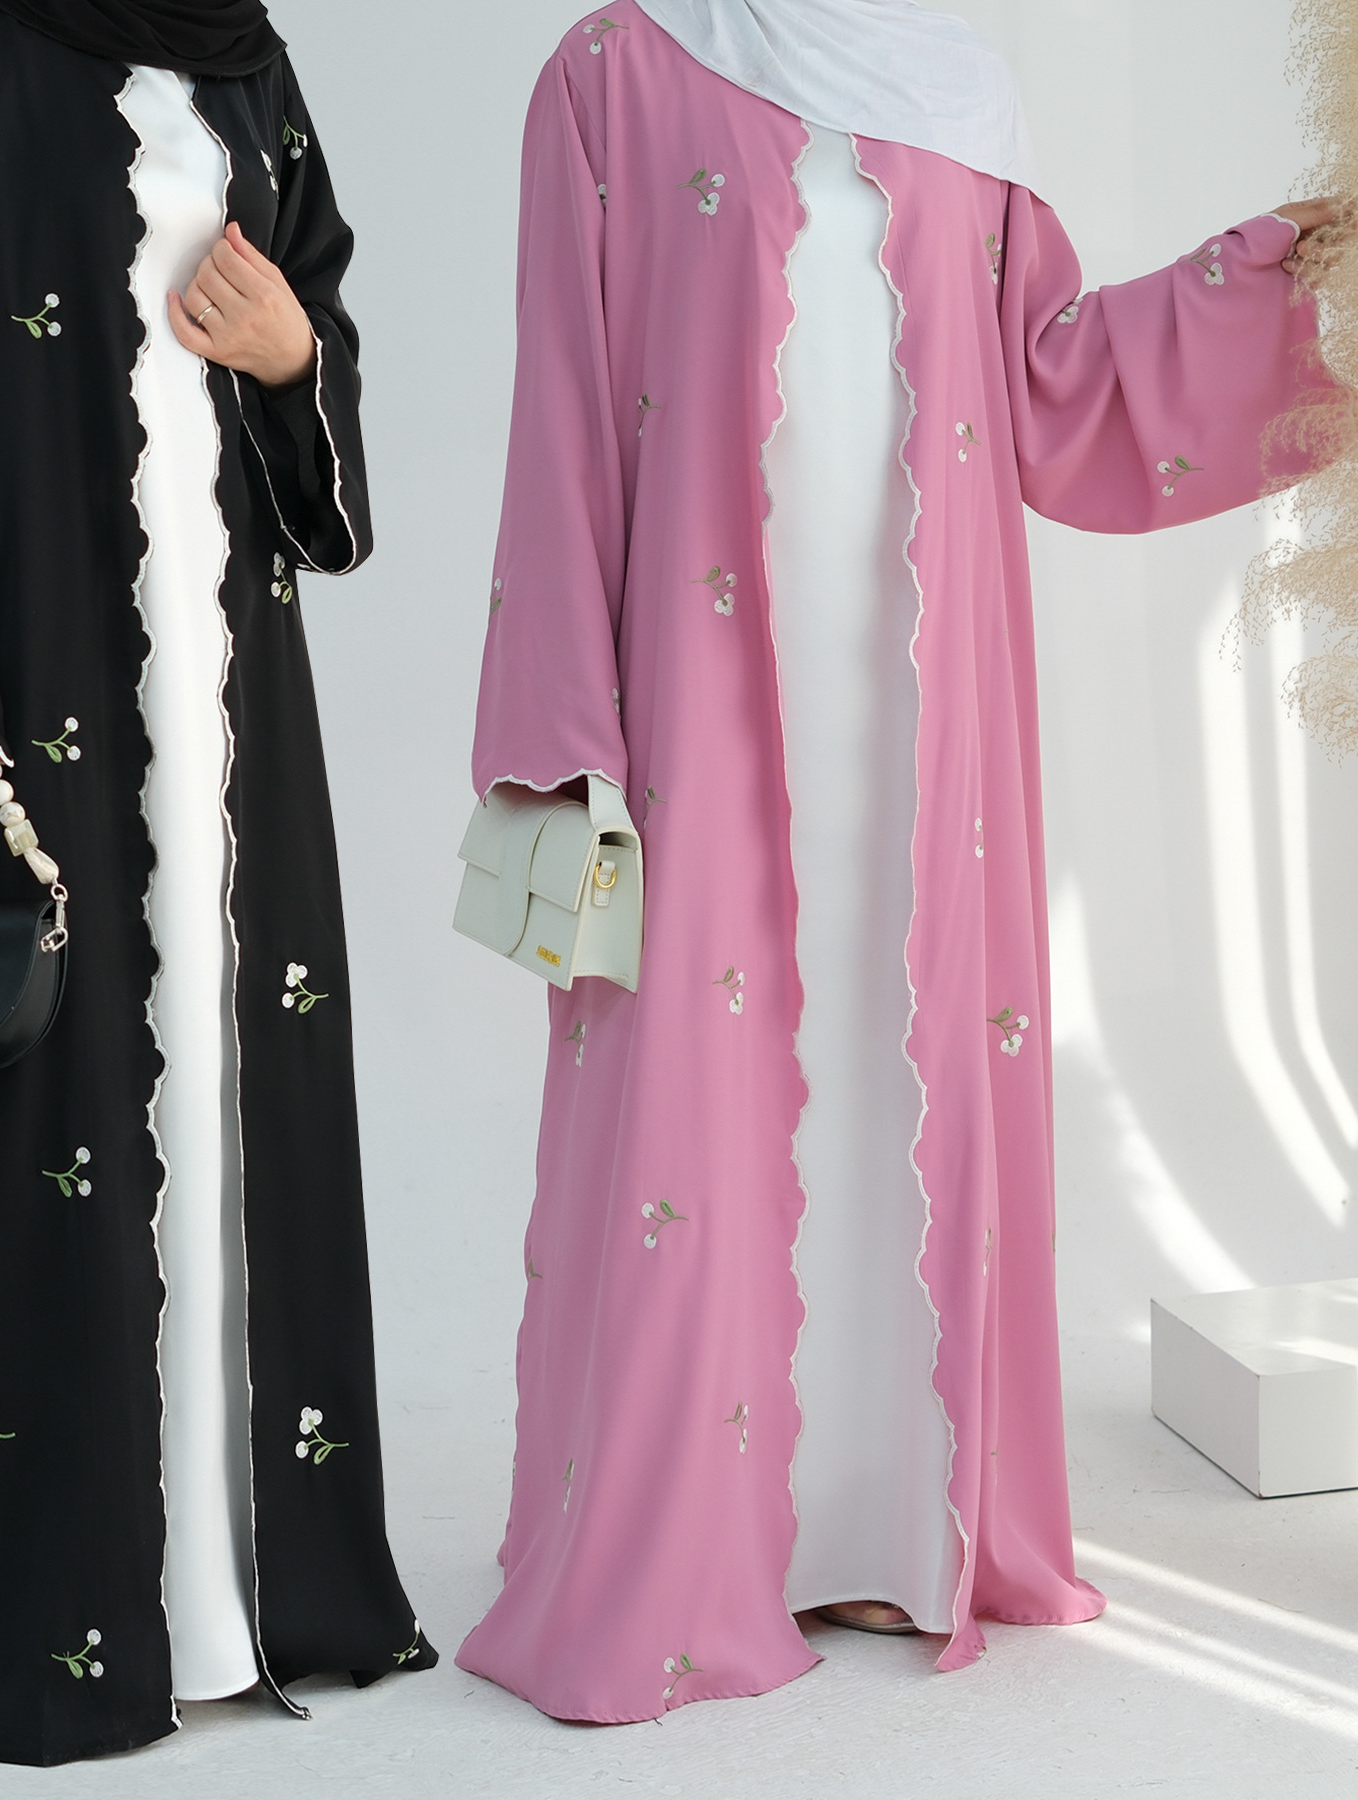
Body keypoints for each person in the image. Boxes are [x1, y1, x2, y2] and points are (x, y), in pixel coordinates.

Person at [460, 0, 1342, 1724]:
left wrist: (1286, 285)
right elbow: (559, 410)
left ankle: (887, 1525)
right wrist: (564, 732)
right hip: (703, 692)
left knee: (896, 1066)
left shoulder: (959, 87)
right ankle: (694, 1548)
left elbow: (1059, 394)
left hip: (925, 715)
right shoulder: (616, 70)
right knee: (703, 1088)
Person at [0, 0, 431, 1766]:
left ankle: (229, 1595)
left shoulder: (239, 52)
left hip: (226, 687)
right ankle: (23, 1601)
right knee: (16, 1095)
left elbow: (312, 311)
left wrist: (295, 359)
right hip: (17, 691)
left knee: (220, 1084)